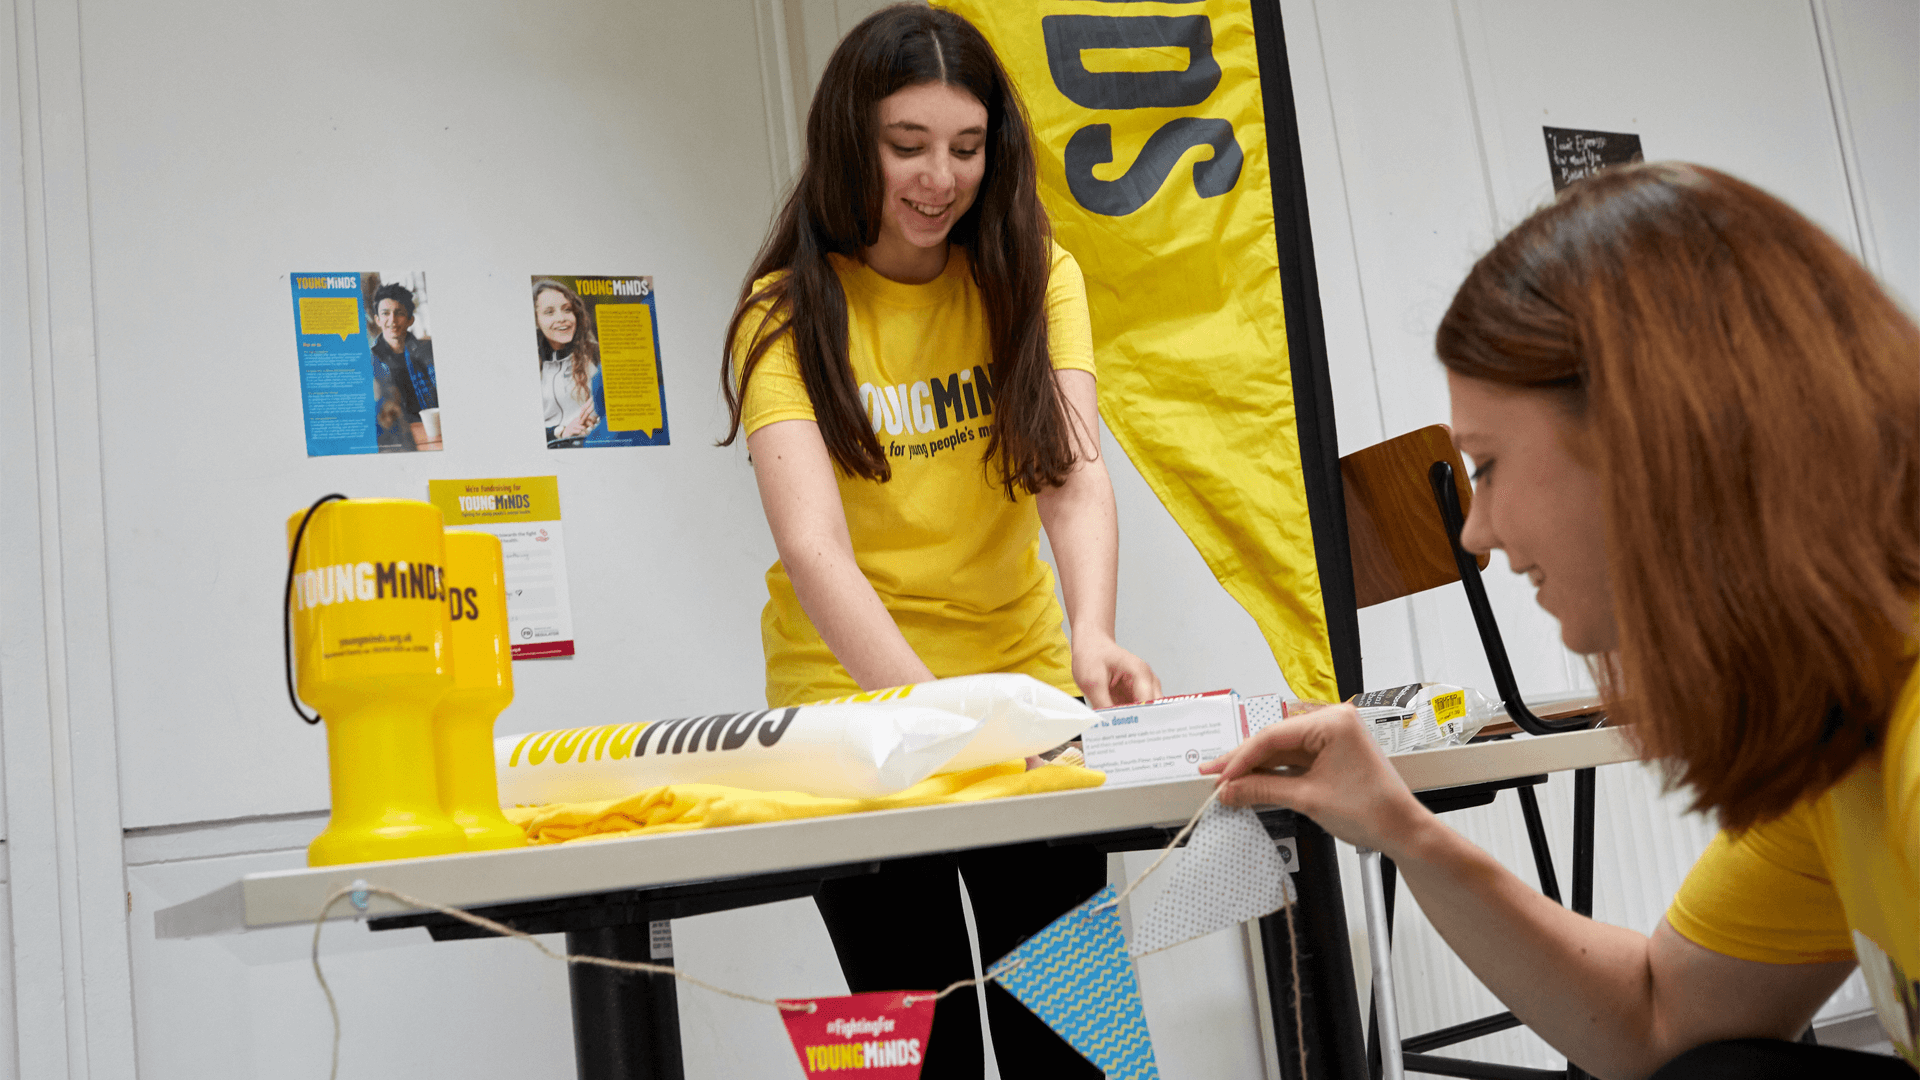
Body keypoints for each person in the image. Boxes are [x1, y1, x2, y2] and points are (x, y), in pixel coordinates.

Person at [1206, 163, 1918, 1078]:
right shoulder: (1840, 726)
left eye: (1489, 464)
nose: (1477, 531)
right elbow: (1661, 1022)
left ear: (1651, 437)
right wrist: (1401, 828)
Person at [720, 6, 1160, 1076]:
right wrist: (933, 715)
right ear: (850, 144)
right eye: (907, 145)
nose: (939, 177)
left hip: (1019, 708)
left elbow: (1070, 472)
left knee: (1077, 1042)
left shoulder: (1035, 274)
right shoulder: (784, 314)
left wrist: (1090, 632)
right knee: (916, 1056)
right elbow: (816, 548)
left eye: (966, 148)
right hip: (853, 722)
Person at [534, 279, 599, 447]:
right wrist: (561, 431)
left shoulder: (597, 354)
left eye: (567, 309)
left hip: (595, 446)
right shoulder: (525, 363)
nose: (562, 318)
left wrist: (603, 406)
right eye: (549, 312)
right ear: (535, 320)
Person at [367, 282, 437, 422]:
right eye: (385, 313)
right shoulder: (369, 362)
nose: (392, 320)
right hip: (398, 435)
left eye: (399, 313)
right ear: (377, 320)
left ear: (410, 320)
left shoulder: (429, 351)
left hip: (432, 427)